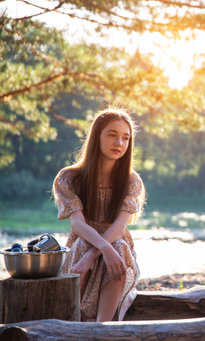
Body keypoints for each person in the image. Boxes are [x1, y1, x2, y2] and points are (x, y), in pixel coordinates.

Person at [52, 109, 145, 322]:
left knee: (119, 246)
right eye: (112, 135)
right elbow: (77, 225)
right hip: (82, 244)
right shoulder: (69, 178)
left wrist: (98, 252)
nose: (119, 143)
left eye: (125, 138)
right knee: (82, 246)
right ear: (97, 137)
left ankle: (102, 328)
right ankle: (78, 320)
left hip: (117, 245)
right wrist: (99, 248)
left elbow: (120, 228)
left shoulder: (132, 181)